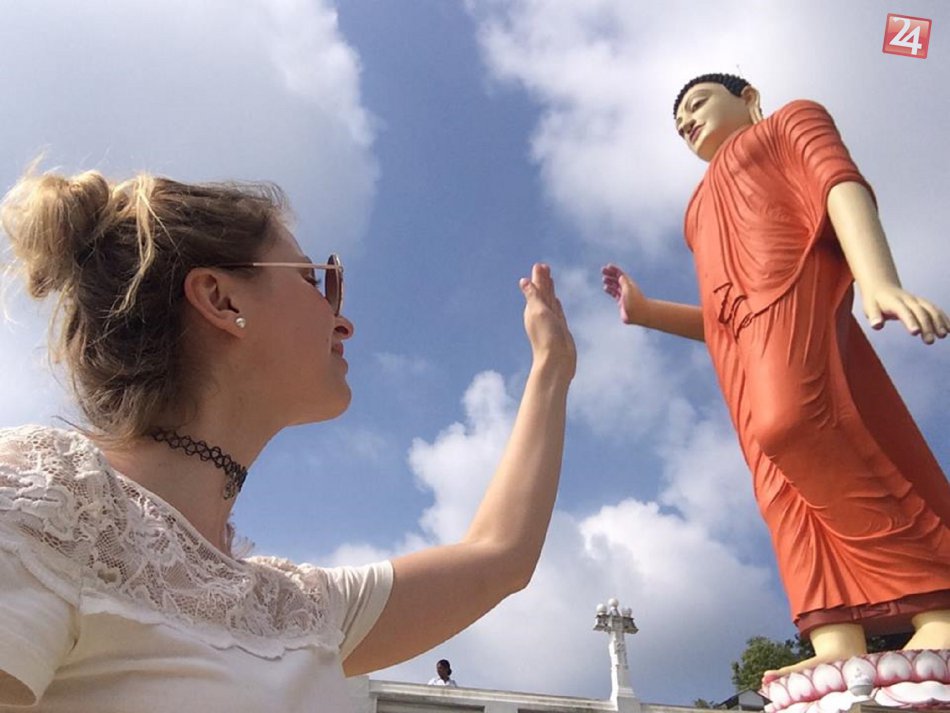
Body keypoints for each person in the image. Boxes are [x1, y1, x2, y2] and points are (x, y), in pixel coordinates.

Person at [0, 167, 576, 712]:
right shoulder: (45, 505)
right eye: (315, 280)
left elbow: (499, 558)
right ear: (221, 300)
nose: (342, 320)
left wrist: (551, 366)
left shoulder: (291, 611)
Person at [602, 73, 950, 681]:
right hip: (740, 344)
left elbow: (840, 185)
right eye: (678, 123)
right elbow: (718, 320)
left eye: (697, 104)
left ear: (749, 99)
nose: (687, 122)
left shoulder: (790, 121)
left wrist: (878, 279)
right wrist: (649, 312)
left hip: (789, 297)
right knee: (777, 484)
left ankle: (938, 596)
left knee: (795, 423)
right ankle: (833, 629)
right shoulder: (695, 211)